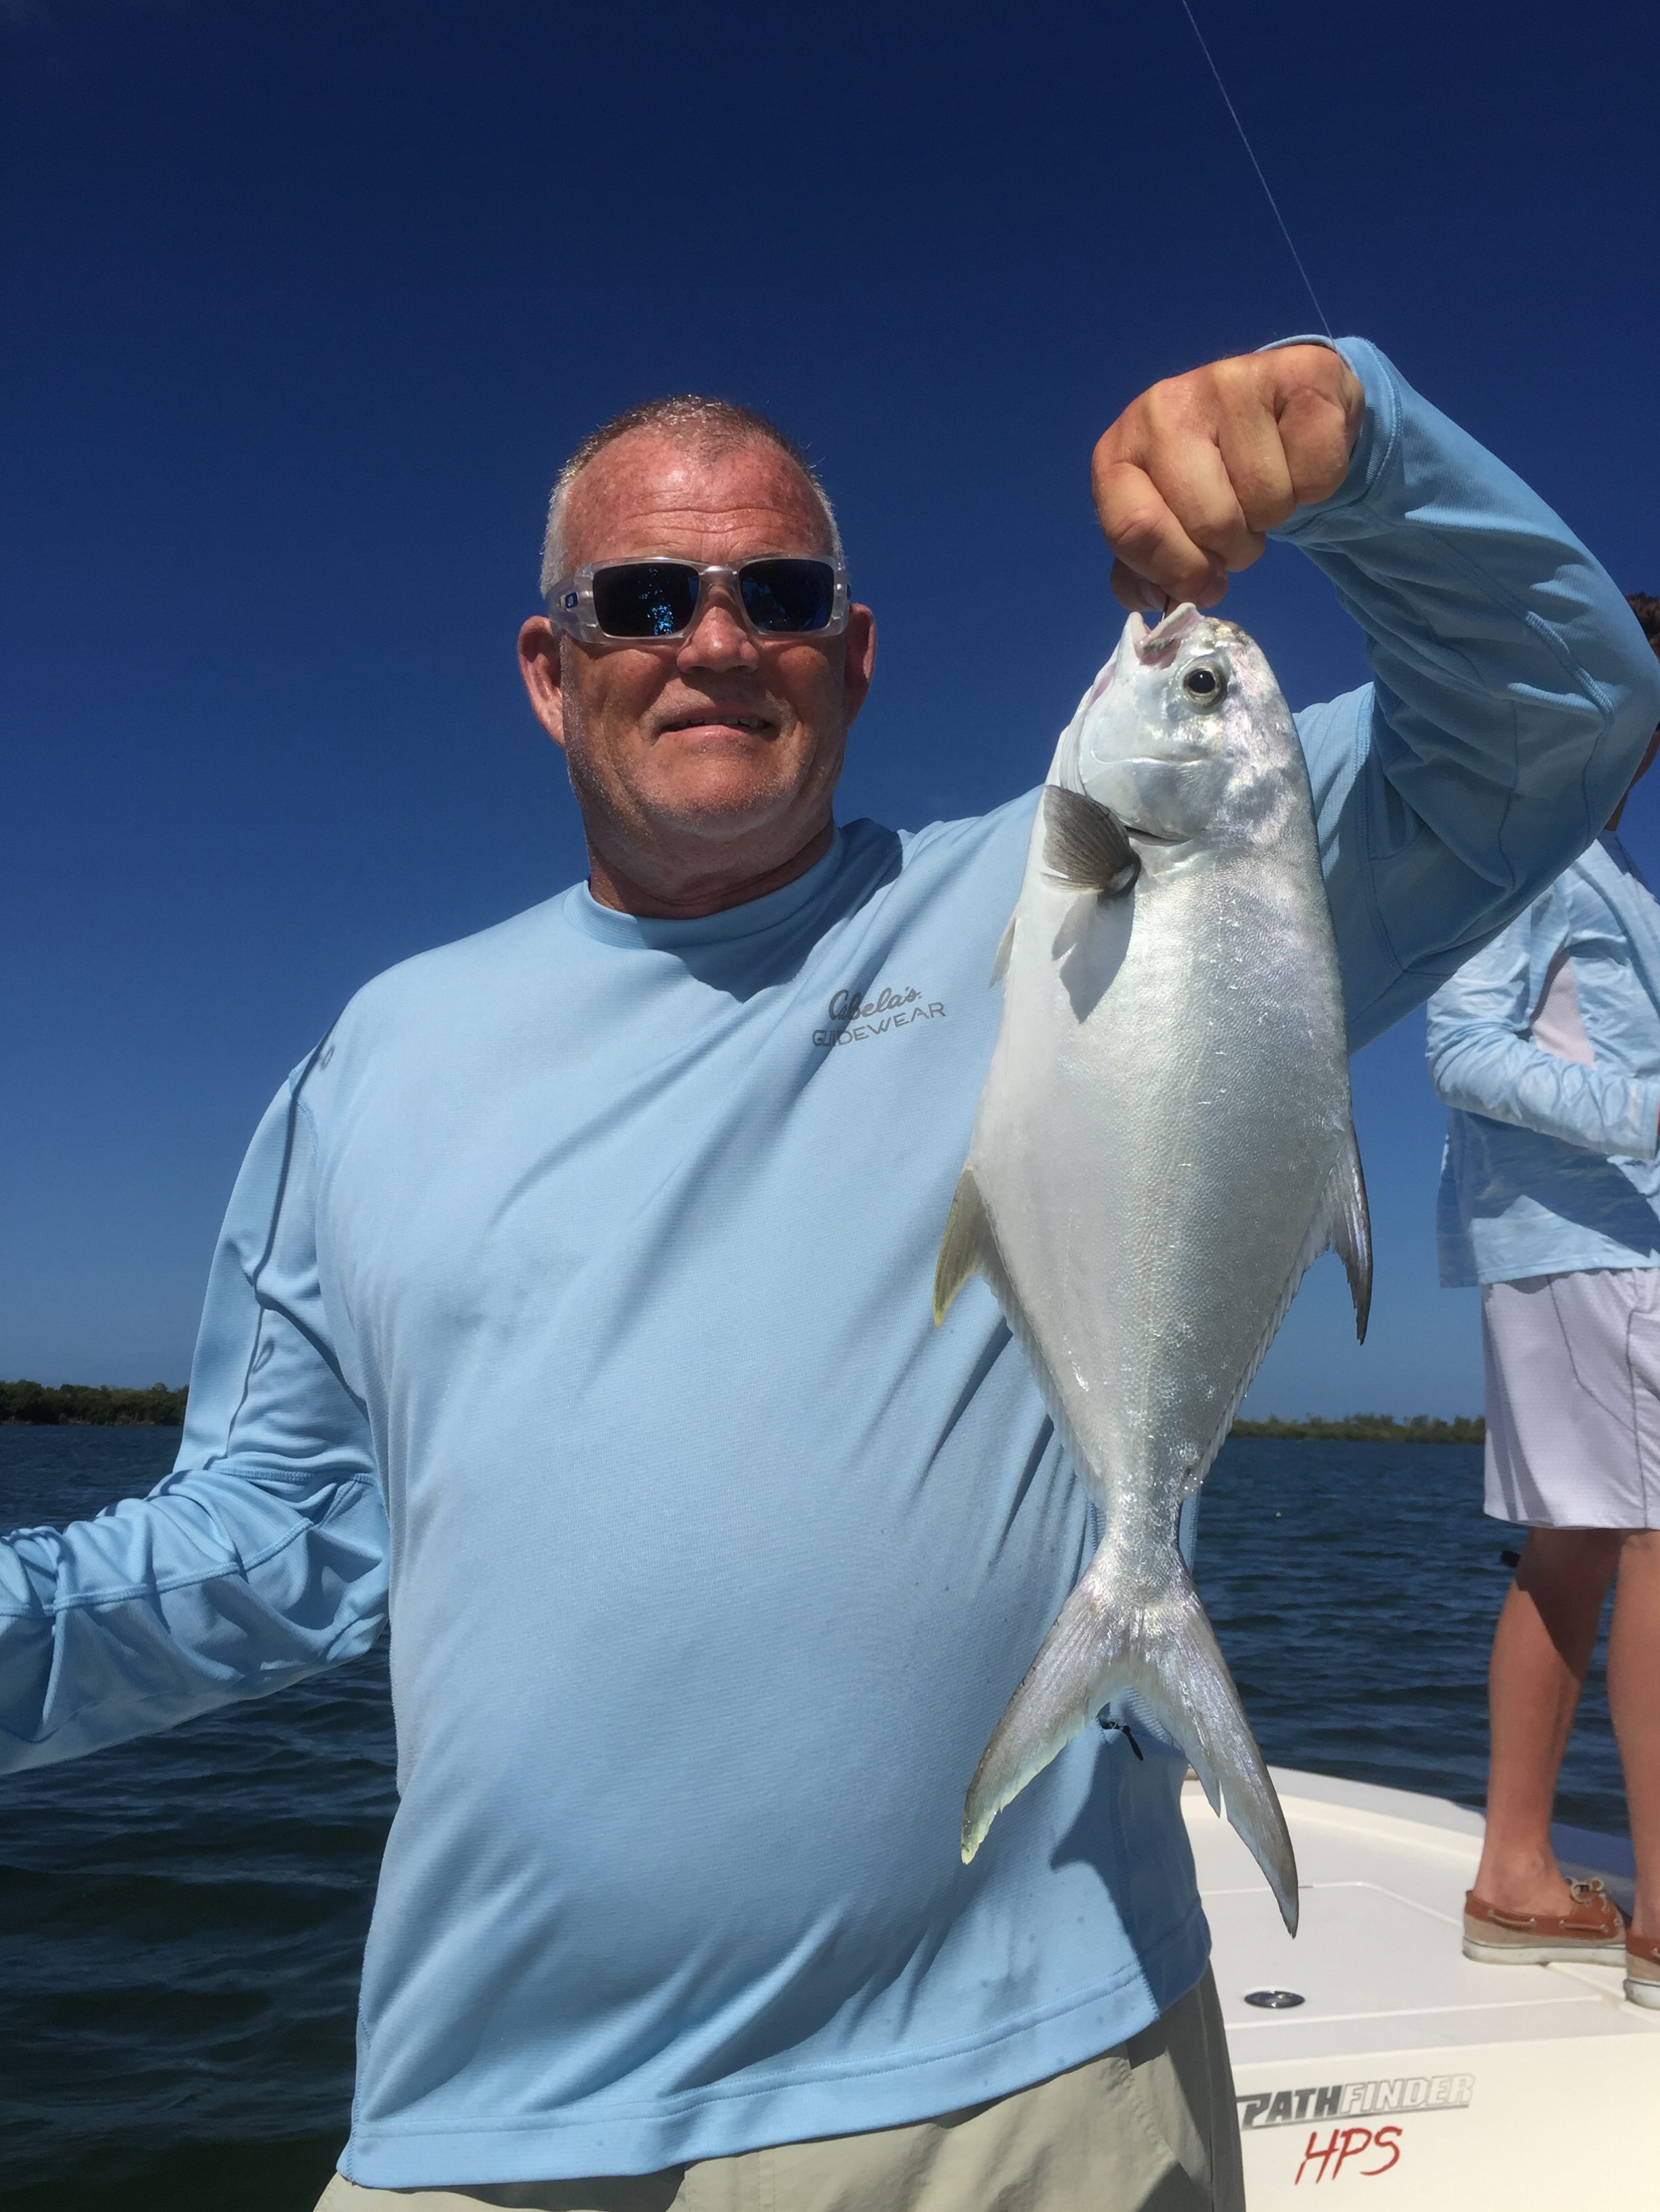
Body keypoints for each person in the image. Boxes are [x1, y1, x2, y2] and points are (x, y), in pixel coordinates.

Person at [3, 341, 1657, 2212]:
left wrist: (1366, 452)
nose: (713, 640)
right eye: (641, 599)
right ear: (552, 671)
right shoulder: (376, 1056)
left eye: (776, 595)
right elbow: (280, 1534)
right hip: (491, 2124)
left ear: (855, 657)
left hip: (1036, 2092)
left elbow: (1559, 711)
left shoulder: (1085, 900)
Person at [1426, 594, 1660, 2015]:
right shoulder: (1531, 860)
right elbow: (1461, 1050)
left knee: (1575, 1550)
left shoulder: (1594, 863)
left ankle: (1519, 1873)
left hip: (1578, 1247)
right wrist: (1643, 1109)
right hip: (1590, 1245)